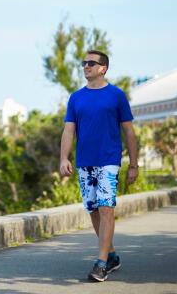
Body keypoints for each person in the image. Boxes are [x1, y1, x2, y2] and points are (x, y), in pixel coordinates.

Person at [59, 50, 139, 282]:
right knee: (93, 209)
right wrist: (64, 158)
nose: (86, 66)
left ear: (103, 68)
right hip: (85, 162)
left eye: (91, 63)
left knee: (106, 208)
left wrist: (133, 164)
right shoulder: (76, 98)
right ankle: (111, 255)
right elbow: (69, 130)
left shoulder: (116, 95)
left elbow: (129, 131)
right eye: (84, 63)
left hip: (109, 161)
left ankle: (101, 263)